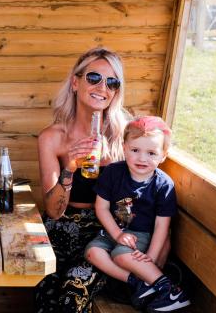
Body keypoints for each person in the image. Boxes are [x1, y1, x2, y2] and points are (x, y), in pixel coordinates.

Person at [35, 47, 130, 313]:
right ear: (75, 83)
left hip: (102, 236)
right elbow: (54, 210)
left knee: (71, 296)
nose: (103, 87)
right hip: (58, 233)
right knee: (46, 299)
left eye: (112, 82)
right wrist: (70, 167)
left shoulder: (124, 139)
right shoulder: (52, 137)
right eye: (94, 78)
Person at [84, 116, 190, 312]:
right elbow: (102, 208)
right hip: (113, 231)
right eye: (135, 150)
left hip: (141, 235)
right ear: (124, 148)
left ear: (163, 155)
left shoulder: (163, 185)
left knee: (120, 255)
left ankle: (170, 291)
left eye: (151, 153)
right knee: (92, 252)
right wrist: (117, 234)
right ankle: (140, 284)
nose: (142, 158)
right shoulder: (113, 173)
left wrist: (150, 256)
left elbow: (162, 226)